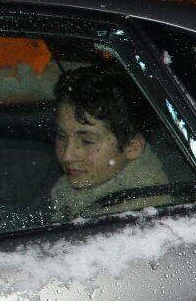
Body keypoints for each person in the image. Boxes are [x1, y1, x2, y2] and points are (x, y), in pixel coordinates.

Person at [49, 66, 172, 220]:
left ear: (132, 146)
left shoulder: (136, 217)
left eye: (87, 141)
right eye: (61, 136)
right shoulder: (72, 192)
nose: (67, 155)